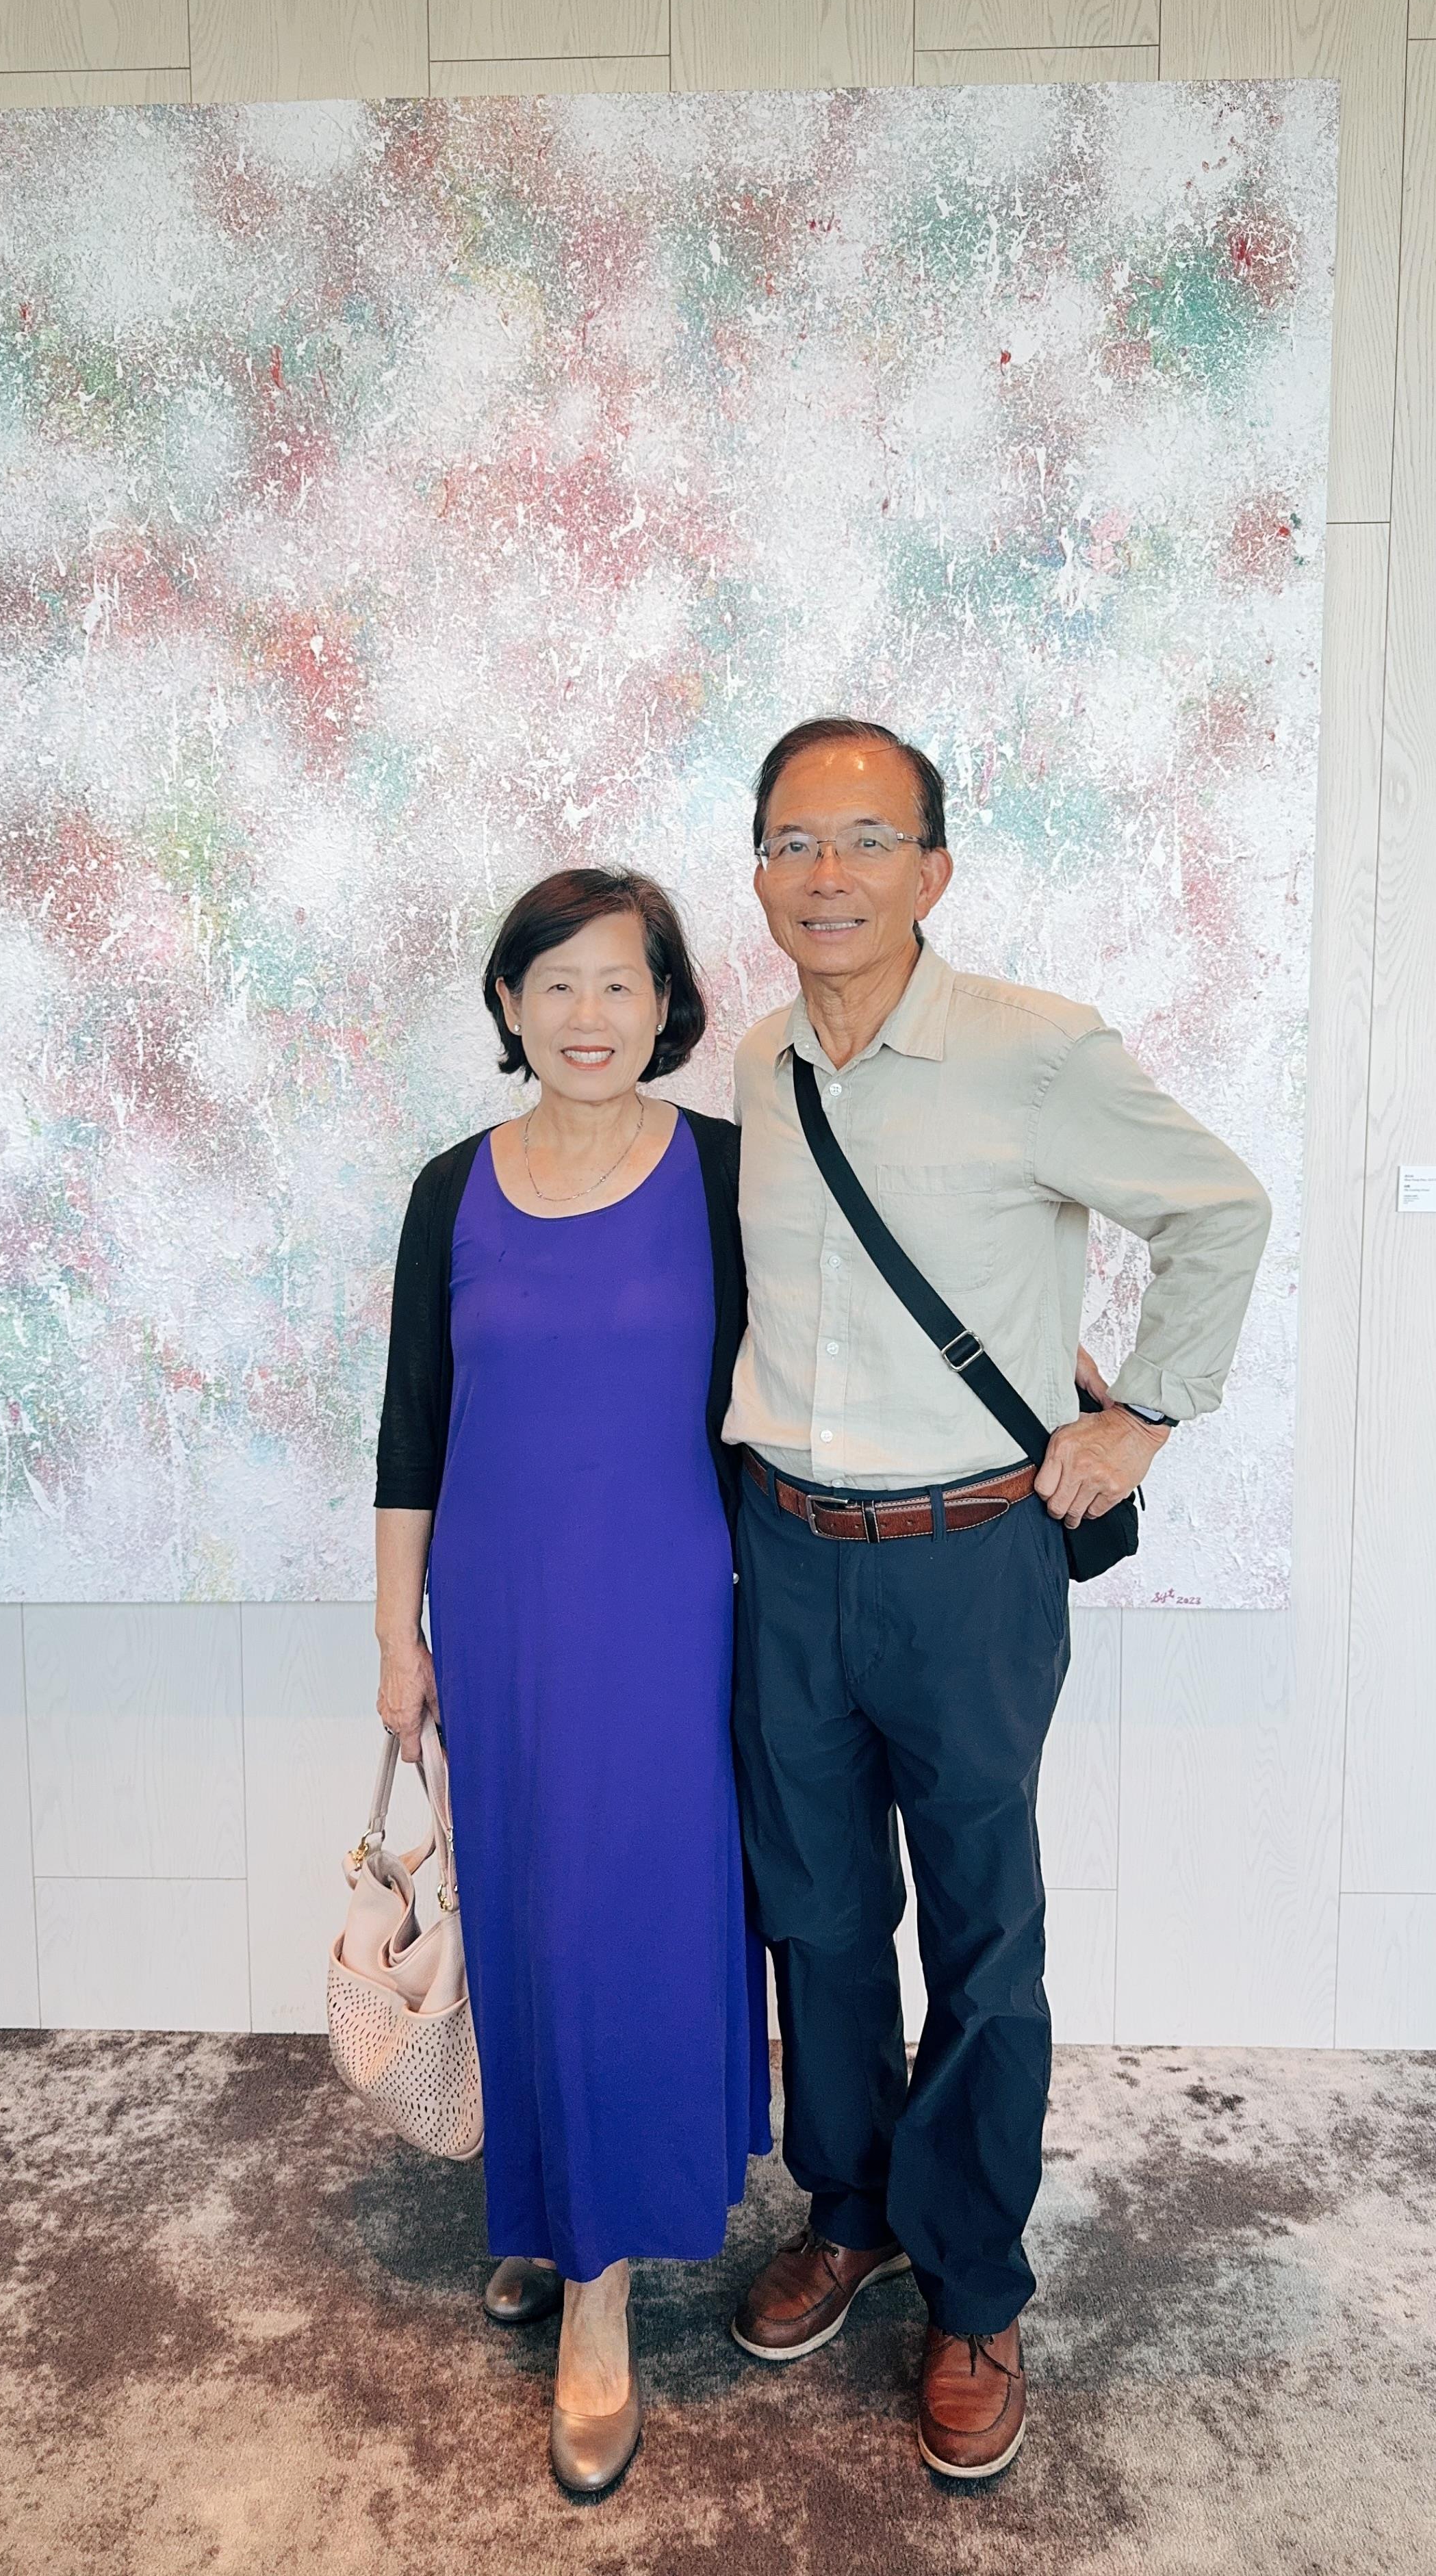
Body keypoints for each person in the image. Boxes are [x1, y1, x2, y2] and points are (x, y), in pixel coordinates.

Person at [724, 715, 1270, 2481]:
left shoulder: (1037, 1052)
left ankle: (972, 2285)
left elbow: (1222, 1210)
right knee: (812, 1913)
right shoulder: (754, 1065)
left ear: (933, 872)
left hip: (971, 1559)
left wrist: (1145, 1416)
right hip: (787, 1552)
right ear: (761, 871)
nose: (829, 873)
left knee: (981, 1932)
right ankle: (852, 2211)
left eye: (867, 840)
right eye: (796, 840)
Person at [372, 866, 771, 2503]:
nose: (590, 1016)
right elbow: (410, 1432)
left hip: (674, 1615)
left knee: (631, 1923)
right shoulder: (448, 1188)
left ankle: (600, 2289)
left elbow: (820, 1371)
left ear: (669, 1005)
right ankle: (539, 2212)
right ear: (510, 1005)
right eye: (558, 984)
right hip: (499, 1609)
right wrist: (398, 1641)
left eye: (622, 984)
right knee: (527, 1913)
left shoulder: (738, 1178)